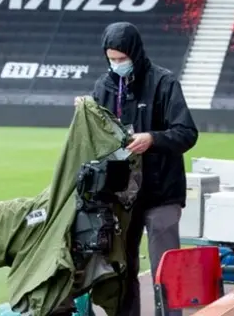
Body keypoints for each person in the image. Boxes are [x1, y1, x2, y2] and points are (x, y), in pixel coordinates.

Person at [76, 22, 198, 316]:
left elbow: (187, 133)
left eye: (122, 58)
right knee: (123, 268)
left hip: (161, 193)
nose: (117, 64)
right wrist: (84, 113)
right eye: (112, 59)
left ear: (135, 52)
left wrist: (152, 139)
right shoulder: (102, 86)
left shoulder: (164, 82)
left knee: (166, 268)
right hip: (121, 196)